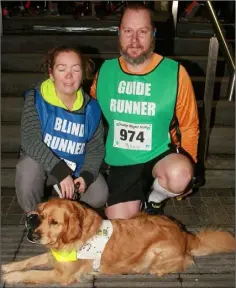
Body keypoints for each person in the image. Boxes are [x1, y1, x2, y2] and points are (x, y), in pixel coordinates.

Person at [90, 3, 199, 219]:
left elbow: (189, 125)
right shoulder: (105, 71)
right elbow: (88, 115)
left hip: (161, 153)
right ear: (119, 33)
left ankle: (154, 200)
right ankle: (136, 196)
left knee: (180, 175)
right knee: (120, 224)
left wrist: (191, 171)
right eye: (128, 31)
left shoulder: (175, 73)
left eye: (143, 32)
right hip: (122, 159)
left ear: (153, 34)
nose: (134, 40)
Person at [16, 46, 109, 222]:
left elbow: (95, 148)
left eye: (75, 69)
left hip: (75, 166)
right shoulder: (36, 99)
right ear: (51, 73)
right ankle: (33, 216)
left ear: (83, 74)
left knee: (99, 194)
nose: (69, 76)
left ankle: (65, 206)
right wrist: (61, 173)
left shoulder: (92, 108)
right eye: (62, 69)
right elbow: (30, 141)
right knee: (27, 167)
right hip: (44, 165)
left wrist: (87, 176)